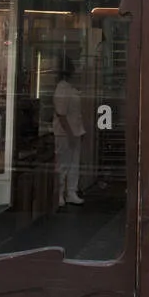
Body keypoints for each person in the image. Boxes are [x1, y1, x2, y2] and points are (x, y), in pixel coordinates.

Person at [51, 56, 85, 207]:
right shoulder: (62, 89)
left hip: (75, 131)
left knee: (73, 164)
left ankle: (71, 192)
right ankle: (59, 194)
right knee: (63, 164)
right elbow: (61, 114)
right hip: (65, 133)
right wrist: (70, 133)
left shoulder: (70, 88)